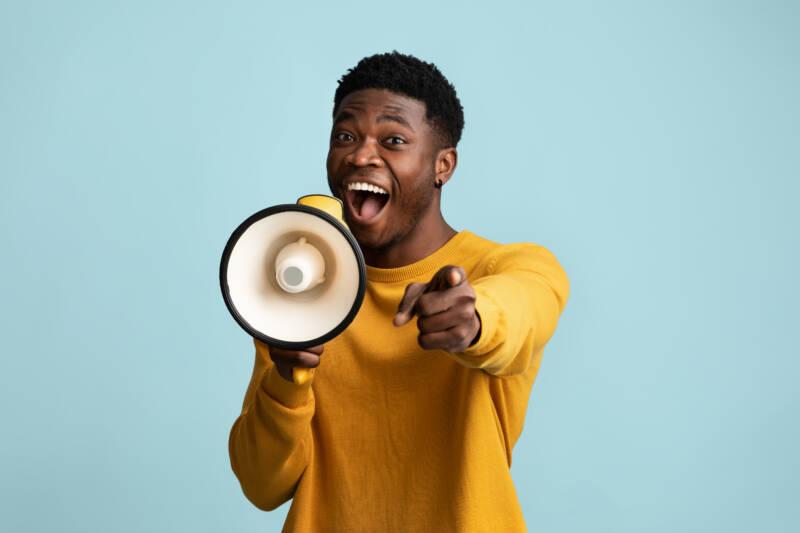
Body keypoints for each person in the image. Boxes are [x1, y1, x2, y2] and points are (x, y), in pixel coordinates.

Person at [228, 51, 570, 532]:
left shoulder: (510, 268)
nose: (361, 155)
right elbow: (263, 487)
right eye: (345, 136)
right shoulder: (295, 292)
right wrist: (287, 379)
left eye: (393, 140)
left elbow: (523, 308)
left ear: (443, 165)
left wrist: (474, 322)